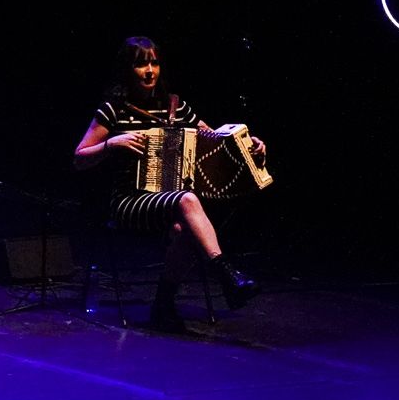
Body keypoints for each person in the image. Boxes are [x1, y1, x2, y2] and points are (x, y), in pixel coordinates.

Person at [71, 36, 262, 330]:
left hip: (168, 202)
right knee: (187, 200)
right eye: (140, 64)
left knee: (184, 229)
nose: (149, 71)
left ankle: (163, 305)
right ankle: (225, 274)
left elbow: (218, 140)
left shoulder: (175, 107)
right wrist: (111, 143)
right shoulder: (114, 110)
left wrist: (250, 145)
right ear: (127, 70)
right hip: (129, 201)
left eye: (154, 63)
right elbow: (80, 157)